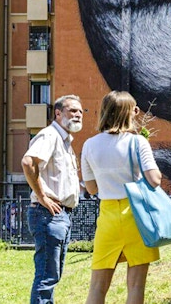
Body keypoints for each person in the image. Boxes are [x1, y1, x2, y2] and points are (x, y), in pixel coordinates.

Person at [81, 90, 162, 304]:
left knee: (97, 286)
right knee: (136, 285)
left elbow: (91, 189)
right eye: (135, 109)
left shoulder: (89, 144)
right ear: (128, 112)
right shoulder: (137, 143)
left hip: (108, 215)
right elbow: (155, 180)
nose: (137, 112)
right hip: (137, 215)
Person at [21, 94, 84, 304]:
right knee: (46, 277)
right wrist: (43, 197)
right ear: (58, 113)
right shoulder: (50, 135)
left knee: (52, 275)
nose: (77, 114)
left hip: (60, 215)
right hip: (47, 214)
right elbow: (28, 162)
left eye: (80, 111)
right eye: (72, 110)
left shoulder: (64, 141)